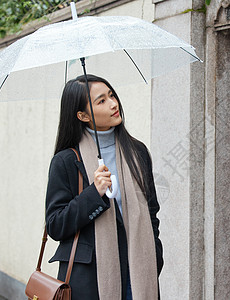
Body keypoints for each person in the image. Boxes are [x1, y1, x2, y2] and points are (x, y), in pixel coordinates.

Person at [45, 74, 163, 300]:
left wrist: (155, 253)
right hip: (92, 281)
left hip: (138, 273)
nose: (113, 104)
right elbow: (55, 225)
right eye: (101, 101)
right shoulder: (66, 161)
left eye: (112, 95)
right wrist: (93, 194)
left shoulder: (137, 152)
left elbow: (151, 211)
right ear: (82, 115)